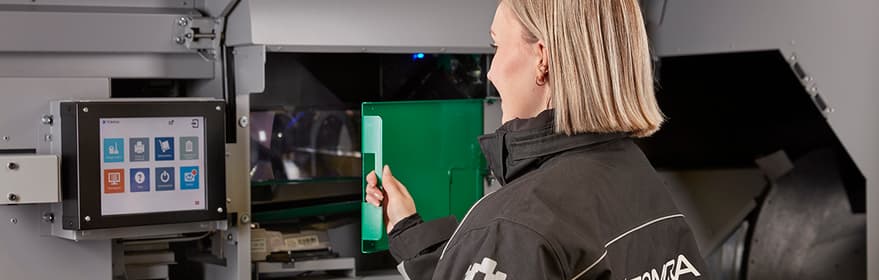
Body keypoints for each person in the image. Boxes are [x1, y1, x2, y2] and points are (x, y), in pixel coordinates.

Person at [365, 0, 706, 279]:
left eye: (496, 46)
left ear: (542, 58)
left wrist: (487, 240)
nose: (490, 71)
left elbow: (521, 246)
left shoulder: (514, 226)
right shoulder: (634, 175)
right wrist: (411, 232)